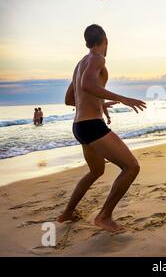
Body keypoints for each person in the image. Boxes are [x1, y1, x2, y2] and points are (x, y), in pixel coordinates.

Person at [57, 24, 147, 232]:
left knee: (96, 170)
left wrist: (99, 104)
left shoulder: (79, 64)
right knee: (131, 167)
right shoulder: (98, 58)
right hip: (92, 126)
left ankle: (67, 213)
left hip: (79, 126)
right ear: (105, 40)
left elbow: (70, 99)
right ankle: (104, 216)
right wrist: (121, 98)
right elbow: (87, 86)